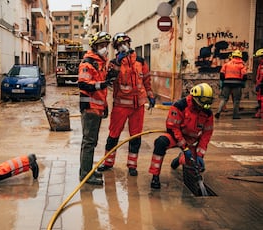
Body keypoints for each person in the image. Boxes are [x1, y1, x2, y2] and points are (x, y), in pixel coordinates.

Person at [97, 32, 155, 176]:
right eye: (119, 45)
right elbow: (110, 79)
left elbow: (147, 80)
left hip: (138, 106)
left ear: (129, 43)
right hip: (121, 106)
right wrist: (117, 63)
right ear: (116, 48)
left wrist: (150, 95)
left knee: (135, 137)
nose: (123, 47)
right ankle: (108, 162)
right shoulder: (113, 63)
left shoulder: (140, 62)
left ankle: (132, 166)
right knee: (114, 135)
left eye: (125, 43)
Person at [148, 83, 214, 189]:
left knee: (194, 166)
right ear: (195, 97)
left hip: (192, 140)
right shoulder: (180, 106)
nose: (204, 106)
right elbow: (173, 128)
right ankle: (155, 176)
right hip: (176, 137)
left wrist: (200, 155)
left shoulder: (207, 113)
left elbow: (206, 135)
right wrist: (185, 148)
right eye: (202, 102)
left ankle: (180, 160)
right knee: (160, 142)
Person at [78, 31, 114, 185]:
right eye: (101, 45)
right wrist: (103, 84)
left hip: (97, 108)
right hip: (90, 108)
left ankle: (87, 171)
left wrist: (104, 106)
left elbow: (101, 91)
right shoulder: (88, 63)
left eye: (106, 45)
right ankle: (86, 175)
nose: (104, 48)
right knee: (88, 142)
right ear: (94, 46)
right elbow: (83, 84)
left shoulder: (100, 63)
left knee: (92, 142)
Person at [215, 50, 247, 119]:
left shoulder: (226, 64)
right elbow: (244, 76)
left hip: (227, 83)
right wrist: (242, 82)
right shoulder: (242, 65)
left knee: (224, 99)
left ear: (232, 56)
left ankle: (218, 112)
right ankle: (235, 115)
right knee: (236, 100)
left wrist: (224, 82)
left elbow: (222, 75)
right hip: (237, 84)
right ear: (240, 57)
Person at [253, 48, 263, 118]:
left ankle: (261, 113)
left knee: (261, 100)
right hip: (260, 85)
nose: (257, 59)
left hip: (261, 85)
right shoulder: (260, 65)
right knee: (259, 100)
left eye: (258, 57)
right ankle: (259, 112)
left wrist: (260, 84)